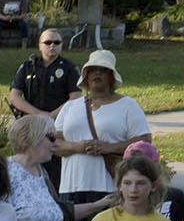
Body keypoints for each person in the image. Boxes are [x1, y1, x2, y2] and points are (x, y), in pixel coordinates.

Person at [51, 50, 149, 202]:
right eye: (92, 70)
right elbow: (54, 144)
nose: (97, 73)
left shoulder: (128, 106)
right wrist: (78, 147)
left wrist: (108, 148)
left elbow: (144, 142)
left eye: (103, 70)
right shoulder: (70, 107)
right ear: (86, 76)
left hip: (109, 188)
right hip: (70, 188)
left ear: (111, 76)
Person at [2, 114, 67, 221]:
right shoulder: (6, 172)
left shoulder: (42, 173)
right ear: (32, 138)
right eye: (51, 137)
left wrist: (99, 204)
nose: (55, 144)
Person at [7, 25, 80, 120]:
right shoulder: (28, 67)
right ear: (39, 46)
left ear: (61, 45)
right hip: (30, 119)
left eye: (57, 42)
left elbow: (76, 97)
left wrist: (51, 115)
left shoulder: (70, 68)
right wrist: (38, 114)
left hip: (61, 121)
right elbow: (14, 96)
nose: (52, 45)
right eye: (48, 42)